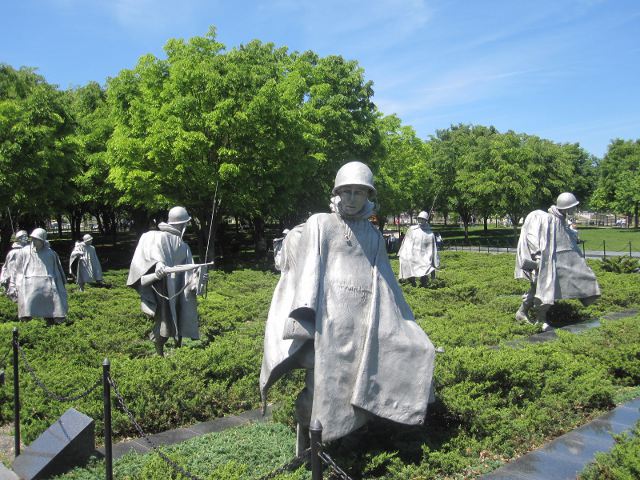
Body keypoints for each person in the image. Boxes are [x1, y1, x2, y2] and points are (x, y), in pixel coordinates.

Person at [260, 161, 436, 453]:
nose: (352, 198)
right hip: (329, 320)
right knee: (319, 389)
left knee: (359, 385)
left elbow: (386, 283)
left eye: (359, 192)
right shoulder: (322, 223)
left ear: (369, 196)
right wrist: (304, 316)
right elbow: (309, 271)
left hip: (363, 321)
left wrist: (408, 326)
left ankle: (346, 442)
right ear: (337, 193)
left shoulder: (374, 236)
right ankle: (308, 444)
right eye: (347, 192)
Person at [515, 192, 600, 330]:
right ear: (566, 207)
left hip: (558, 261)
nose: (574, 210)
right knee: (545, 289)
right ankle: (540, 320)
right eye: (573, 207)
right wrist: (537, 256)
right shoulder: (546, 218)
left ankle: (522, 313)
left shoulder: (561, 220)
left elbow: (565, 239)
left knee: (539, 288)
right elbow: (532, 236)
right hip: (545, 261)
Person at [127, 206, 201, 356]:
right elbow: (149, 251)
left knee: (179, 318)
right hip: (163, 288)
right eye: (185, 224)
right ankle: (159, 353)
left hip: (179, 290)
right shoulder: (153, 236)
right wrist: (158, 264)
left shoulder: (184, 246)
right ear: (182, 224)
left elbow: (190, 270)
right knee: (164, 323)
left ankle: (177, 351)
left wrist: (197, 280)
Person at [13, 228, 68, 325]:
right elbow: (18, 270)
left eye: (36, 239)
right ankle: (26, 322)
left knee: (53, 304)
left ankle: (55, 320)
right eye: (33, 239)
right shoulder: (24, 252)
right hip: (29, 284)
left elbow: (56, 271)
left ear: (42, 240)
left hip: (47, 284)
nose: (33, 241)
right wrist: (17, 284)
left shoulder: (50, 253)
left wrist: (60, 283)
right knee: (27, 306)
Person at [398, 211, 440, 286]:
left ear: (426, 220)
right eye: (419, 219)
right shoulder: (412, 230)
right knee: (405, 261)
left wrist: (431, 259)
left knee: (426, 266)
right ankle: (411, 281)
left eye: (422, 219)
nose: (420, 221)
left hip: (424, 257)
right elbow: (406, 242)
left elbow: (432, 250)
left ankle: (424, 282)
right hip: (412, 254)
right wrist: (405, 253)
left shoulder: (430, 234)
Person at [0, 230, 29, 302]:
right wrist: (3, 277)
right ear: (18, 238)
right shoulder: (13, 252)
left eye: (26, 236)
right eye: (23, 237)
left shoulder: (29, 250)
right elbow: (7, 266)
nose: (26, 238)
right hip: (16, 278)